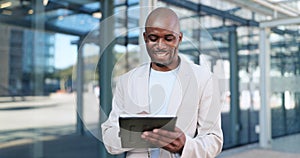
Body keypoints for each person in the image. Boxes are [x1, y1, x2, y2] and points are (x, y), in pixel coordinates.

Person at [101, 7, 223, 158]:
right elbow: (108, 139)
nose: (160, 45)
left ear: (179, 38)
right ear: (145, 37)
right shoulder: (127, 81)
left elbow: (214, 140)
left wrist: (185, 145)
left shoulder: (204, 79)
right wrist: (132, 130)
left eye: (168, 38)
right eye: (153, 38)